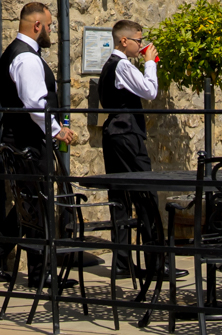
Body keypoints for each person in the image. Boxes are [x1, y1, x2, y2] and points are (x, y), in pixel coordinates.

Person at [0, 1, 76, 282]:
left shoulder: (17, 53)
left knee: (32, 203)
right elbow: (36, 104)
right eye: (49, 26)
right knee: (37, 205)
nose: (50, 31)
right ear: (38, 26)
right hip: (28, 142)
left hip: (25, 139)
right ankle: (36, 272)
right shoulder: (26, 58)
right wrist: (57, 130)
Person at [98, 21, 162, 280]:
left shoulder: (110, 66)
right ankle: (157, 263)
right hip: (126, 135)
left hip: (114, 133)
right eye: (138, 40)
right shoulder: (122, 64)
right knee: (146, 194)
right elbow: (150, 91)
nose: (141, 44)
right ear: (124, 41)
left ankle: (123, 262)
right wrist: (150, 62)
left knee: (120, 198)